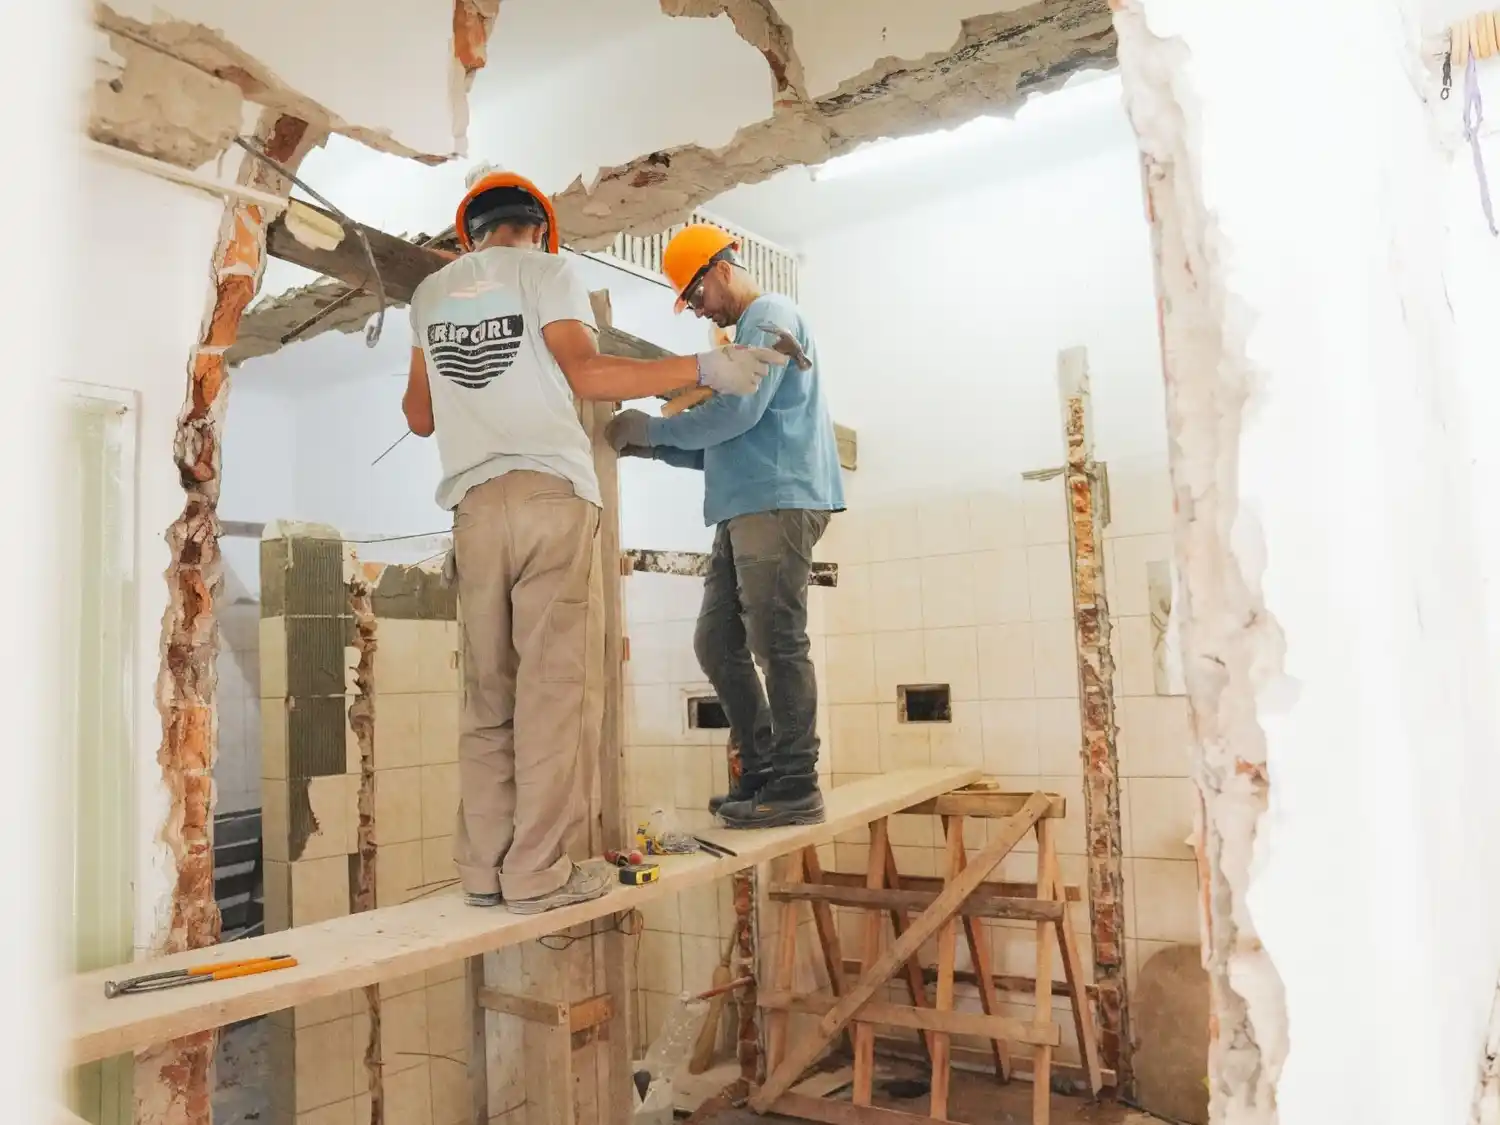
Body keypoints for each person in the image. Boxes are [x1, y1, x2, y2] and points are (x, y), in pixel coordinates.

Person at [403, 171, 782, 912]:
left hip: (474, 508)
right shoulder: (550, 273)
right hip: (550, 494)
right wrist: (705, 367)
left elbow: (419, 416)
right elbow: (589, 373)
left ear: (467, 234)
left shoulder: (428, 295)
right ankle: (537, 873)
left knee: (488, 695)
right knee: (550, 692)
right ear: (539, 228)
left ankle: (483, 869)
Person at [605, 225, 844, 829]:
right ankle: (763, 770)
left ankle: (796, 782)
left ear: (722, 268)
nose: (698, 308)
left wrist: (655, 431)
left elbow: (736, 410)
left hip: (779, 498)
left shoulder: (771, 315)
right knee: (717, 641)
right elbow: (724, 442)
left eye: (696, 293)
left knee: (776, 641)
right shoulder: (745, 336)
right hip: (744, 503)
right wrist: (649, 447)